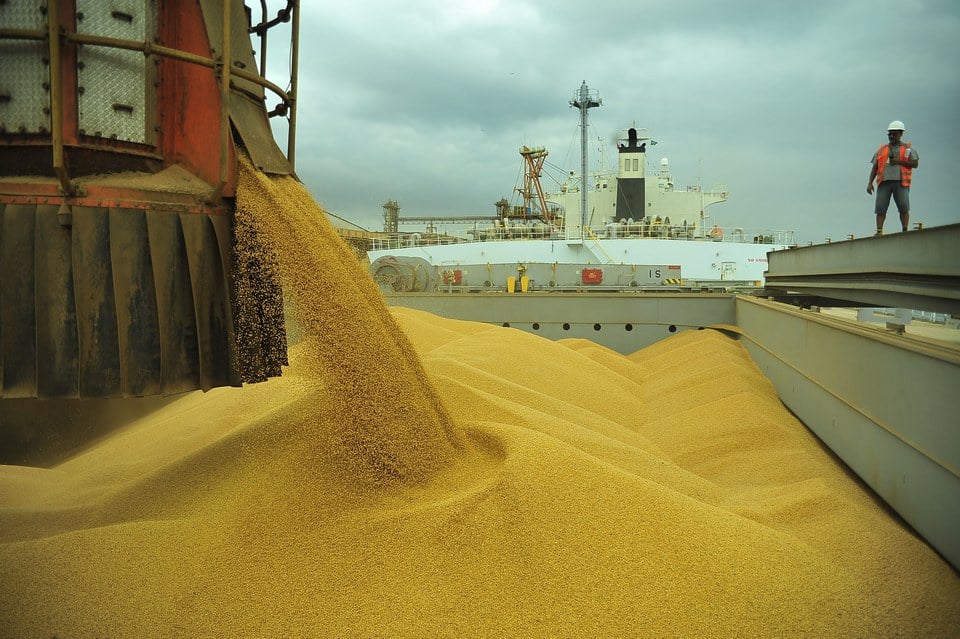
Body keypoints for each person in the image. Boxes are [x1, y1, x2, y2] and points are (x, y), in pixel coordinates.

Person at [867, 120, 919, 235]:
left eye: (894, 134)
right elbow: (875, 167)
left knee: (903, 206)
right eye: (889, 134)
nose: (891, 136)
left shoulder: (907, 149)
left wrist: (899, 162)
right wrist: (870, 183)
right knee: (880, 207)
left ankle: (905, 229)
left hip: (901, 182)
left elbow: (915, 164)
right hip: (884, 182)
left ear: (901, 133)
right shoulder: (882, 149)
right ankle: (879, 231)